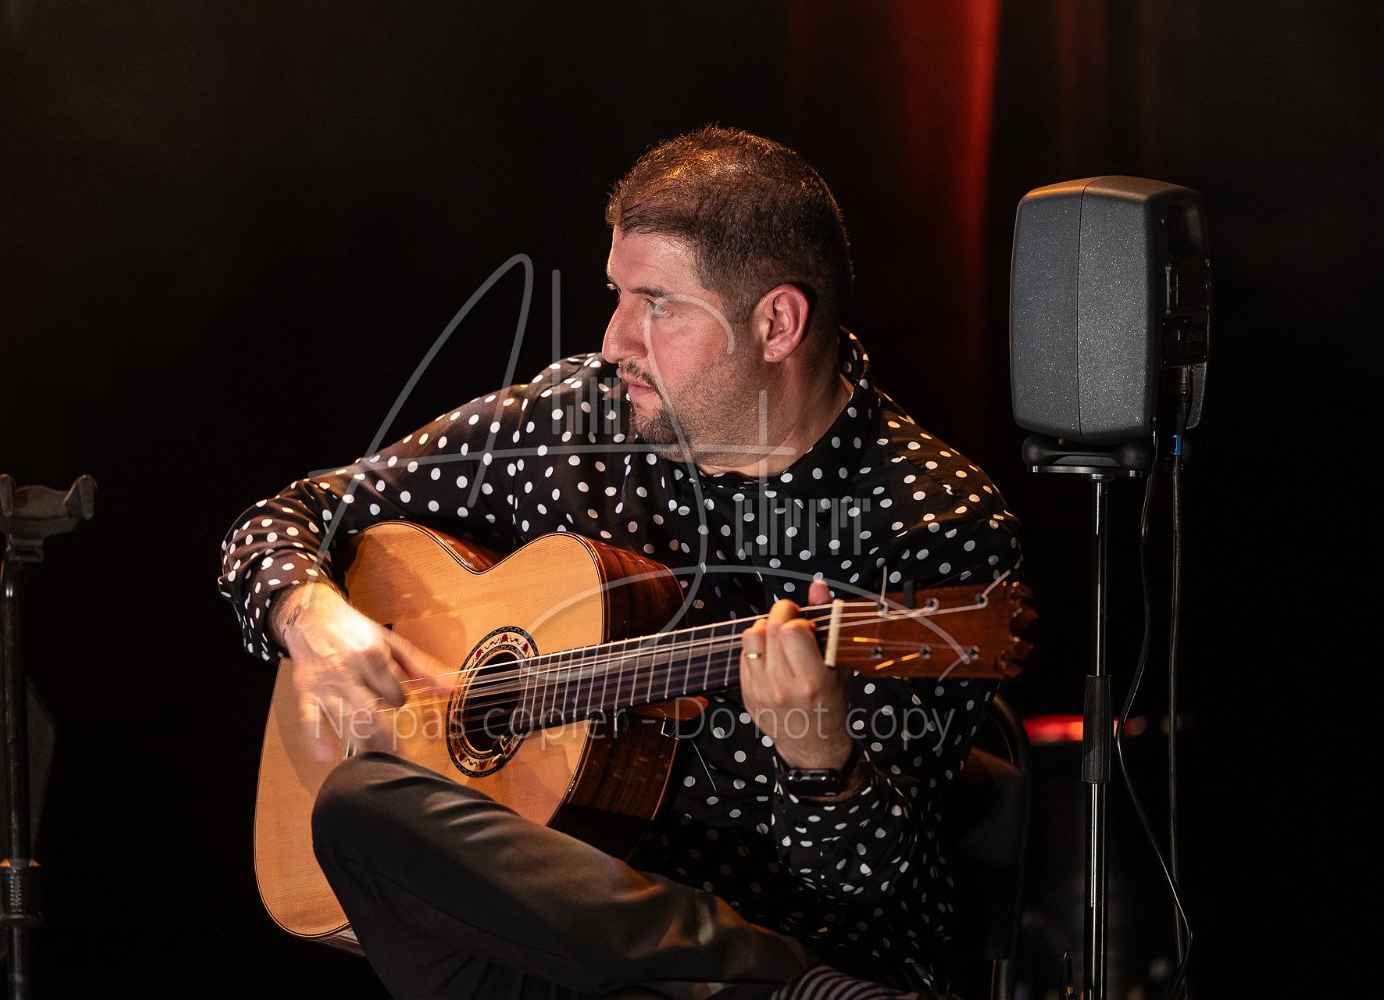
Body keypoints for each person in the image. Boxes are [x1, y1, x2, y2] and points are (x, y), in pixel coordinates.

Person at [218, 125, 1022, 1000]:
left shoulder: (929, 517)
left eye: (657, 304)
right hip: (552, 948)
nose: (614, 341)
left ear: (776, 323)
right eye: (617, 296)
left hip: (801, 945)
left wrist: (819, 758)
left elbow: (874, 888)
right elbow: (288, 516)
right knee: (359, 808)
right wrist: (312, 617)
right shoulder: (573, 422)